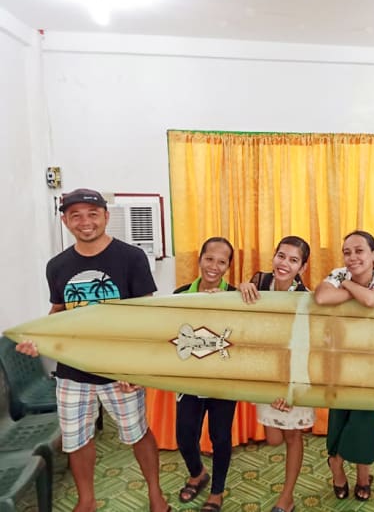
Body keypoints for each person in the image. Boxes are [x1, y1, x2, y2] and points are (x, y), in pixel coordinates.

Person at [15, 188, 170, 512]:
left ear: (106, 216)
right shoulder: (57, 265)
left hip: (120, 369)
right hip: (73, 371)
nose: (85, 222)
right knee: (77, 439)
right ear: (65, 221)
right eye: (76, 215)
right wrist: (37, 339)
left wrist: (138, 369)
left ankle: (156, 495)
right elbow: (59, 310)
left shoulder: (131, 257)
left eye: (92, 213)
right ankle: (87, 501)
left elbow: (147, 316)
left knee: (137, 433)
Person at [314, 230, 374, 502]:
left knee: (365, 421)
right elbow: (322, 298)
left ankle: (363, 476)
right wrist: (353, 289)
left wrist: (347, 286)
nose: (351, 257)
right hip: (340, 359)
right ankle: (336, 467)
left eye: (359, 251)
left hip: (372, 363)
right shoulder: (338, 273)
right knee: (340, 416)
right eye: (347, 252)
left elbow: (372, 301)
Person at [237, 235, 315, 512]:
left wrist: (291, 390)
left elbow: (304, 348)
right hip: (264, 373)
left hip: (292, 375)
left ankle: (287, 497)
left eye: (293, 260)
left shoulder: (305, 298)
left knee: (292, 436)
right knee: (273, 438)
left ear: (302, 268)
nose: (284, 264)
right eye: (281, 256)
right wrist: (241, 287)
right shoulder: (259, 281)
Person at [174, 237, 237, 512]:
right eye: (209, 259)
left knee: (220, 437)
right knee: (185, 436)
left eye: (221, 262)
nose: (214, 266)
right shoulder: (178, 295)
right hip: (189, 379)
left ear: (228, 267)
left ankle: (217, 491)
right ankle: (198, 473)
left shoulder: (237, 296)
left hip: (222, 380)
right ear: (199, 259)